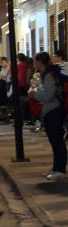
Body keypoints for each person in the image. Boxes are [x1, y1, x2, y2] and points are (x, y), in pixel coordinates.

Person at [30, 52, 67, 180]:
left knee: (57, 141)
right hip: (52, 111)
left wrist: (34, 95)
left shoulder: (49, 75)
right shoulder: (46, 74)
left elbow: (48, 96)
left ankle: (60, 170)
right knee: (54, 141)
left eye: (35, 61)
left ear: (41, 62)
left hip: (54, 111)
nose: (34, 63)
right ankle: (56, 168)